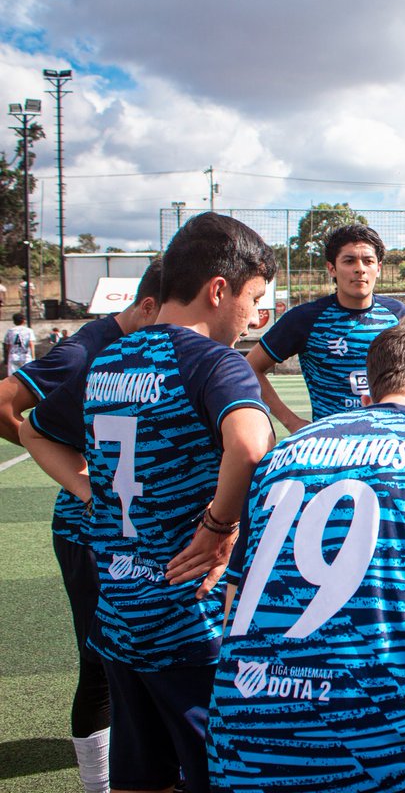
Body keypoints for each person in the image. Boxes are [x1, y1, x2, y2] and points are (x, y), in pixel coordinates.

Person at [207, 318, 405, 793]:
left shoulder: (282, 457)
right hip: (375, 753)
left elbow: (234, 604)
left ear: (370, 391)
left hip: (240, 742)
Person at [21, 212, 278, 793]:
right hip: (192, 621)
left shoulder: (107, 360)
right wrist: (219, 526)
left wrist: (91, 491)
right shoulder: (213, 362)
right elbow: (251, 447)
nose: (255, 316)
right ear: (219, 290)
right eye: (253, 298)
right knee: (222, 775)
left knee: (141, 778)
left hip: (119, 611)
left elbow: (34, 429)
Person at [0, 260, 162, 793]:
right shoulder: (84, 349)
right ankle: (98, 782)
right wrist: (80, 476)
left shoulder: (148, 352)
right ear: (147, 306)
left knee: (151, 650)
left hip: (137, 526)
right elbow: (6, 403)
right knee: (101, 658)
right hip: (89, 529)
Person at [247, 223, 405, 433]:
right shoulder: (306, 319)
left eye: (368, 261)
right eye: (349, 260)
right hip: (330, 447)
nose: (360, 268)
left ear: (378, 268)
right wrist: (292, 422)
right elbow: (250, 367)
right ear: (331, 268)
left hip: (389, 441)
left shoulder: (400, 316)